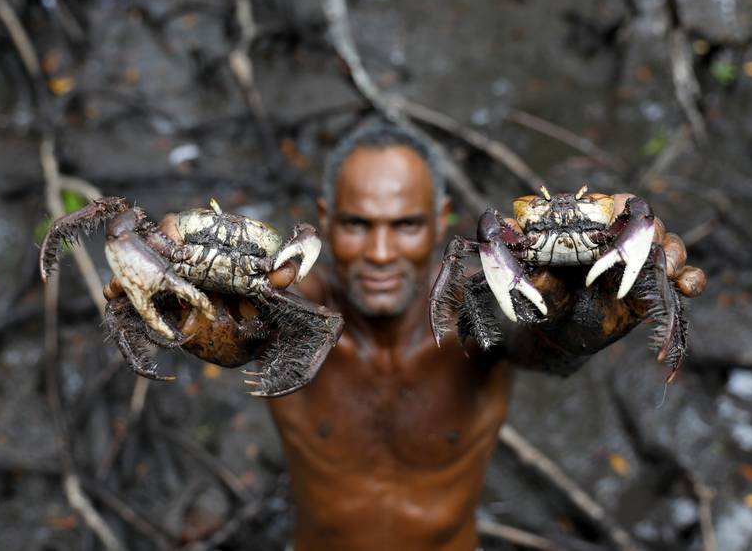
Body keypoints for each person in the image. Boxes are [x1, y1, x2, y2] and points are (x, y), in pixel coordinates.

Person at [109, 119, 706, 551]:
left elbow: (542, 349)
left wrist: (581, 326)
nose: (380, 251)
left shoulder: (484, 310)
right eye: (356, 224)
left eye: (405, 225)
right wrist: (167, 300)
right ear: (322, 219)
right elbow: (231, 333)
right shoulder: (284, 315)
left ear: (441, 220)